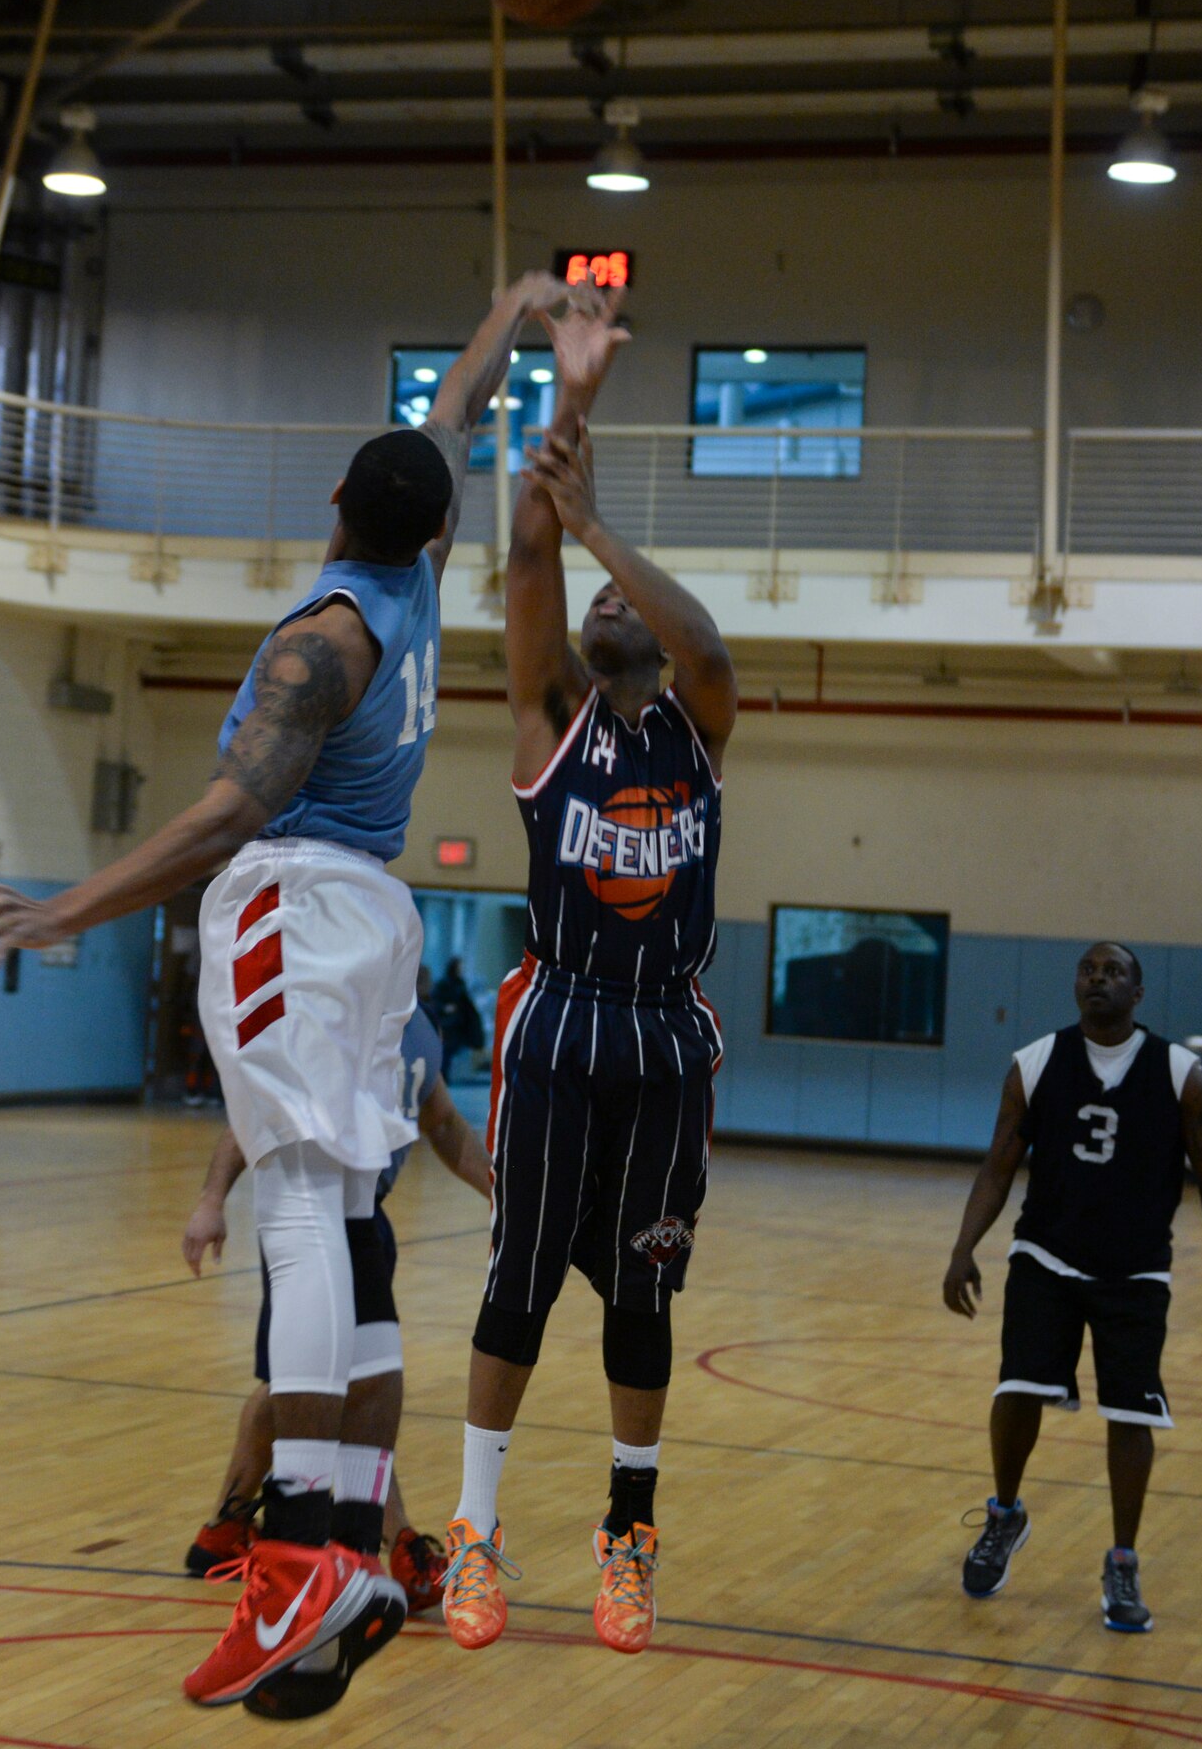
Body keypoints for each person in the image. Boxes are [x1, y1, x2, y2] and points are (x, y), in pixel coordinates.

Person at [0, 269, 582, 1714]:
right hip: (375, 922)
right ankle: (351, 1537)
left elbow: (227, 817)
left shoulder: (326, 638)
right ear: (424, 525)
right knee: (347, 1225)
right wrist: (509, 318)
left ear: (342, 508)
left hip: (292, 900)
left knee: (297, 1209)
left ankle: (296, 1550)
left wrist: (66, 907)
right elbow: (460, 413)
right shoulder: (419, 581)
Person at [441, 287, 736, 1657]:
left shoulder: (697, 723)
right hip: (563, 1022)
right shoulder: (550, 718)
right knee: (516, 1291)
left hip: (665, 1036)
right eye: (598, 593)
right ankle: (476, 1537)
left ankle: (626, 1547)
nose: (609, 600)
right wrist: (570, 413)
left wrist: (607, 523)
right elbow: (521, 560)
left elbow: (713, 647)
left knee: (642, 1295)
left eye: (629, 594)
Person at [943, 942, 1202, 1633]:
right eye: (1088, 970)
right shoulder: (1034, 1063)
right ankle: (1003, 1515)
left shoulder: (1179, 1074)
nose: (1098, 980)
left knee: (1131, 1415)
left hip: (1134, 1269)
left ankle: (1121, 1560)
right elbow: (997, 1165)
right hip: (1044, 1255)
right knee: (1015, 1389)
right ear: (1075, 984)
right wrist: (963, 1249)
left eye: (1113, 973)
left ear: (1137, 993)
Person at [180, 1000, 492, 1625]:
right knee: (350, 1385)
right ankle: (394, 1546)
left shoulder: (420, 1028)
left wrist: (501, 1191)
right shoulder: (325, 1014)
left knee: (301, 1384)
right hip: (309, 1214)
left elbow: (446, 1126)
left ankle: (226, 1527)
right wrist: (212, 1200)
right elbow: (253, 1117)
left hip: (367, 1217)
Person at [433, 955, 484, 1079]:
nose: (461, 969)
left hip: (459, 1025)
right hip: (449, 1024)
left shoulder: (460, 983)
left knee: (451, 1051)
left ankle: (445, 1075)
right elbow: (436, 1001)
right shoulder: (444, 984)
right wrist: (446, 1008)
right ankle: (442, 1076)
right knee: (447, 1051)